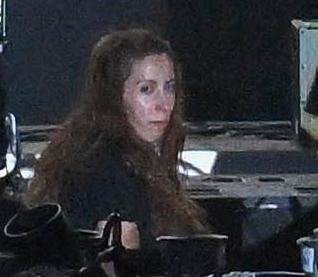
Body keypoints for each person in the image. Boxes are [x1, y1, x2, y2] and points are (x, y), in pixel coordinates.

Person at [23, 26, 203, 245]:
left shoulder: (94, 151)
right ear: (114, 96)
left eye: (170, 88)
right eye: (146, 89)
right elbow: (117, 270)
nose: (163, 104)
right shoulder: (106, 170)